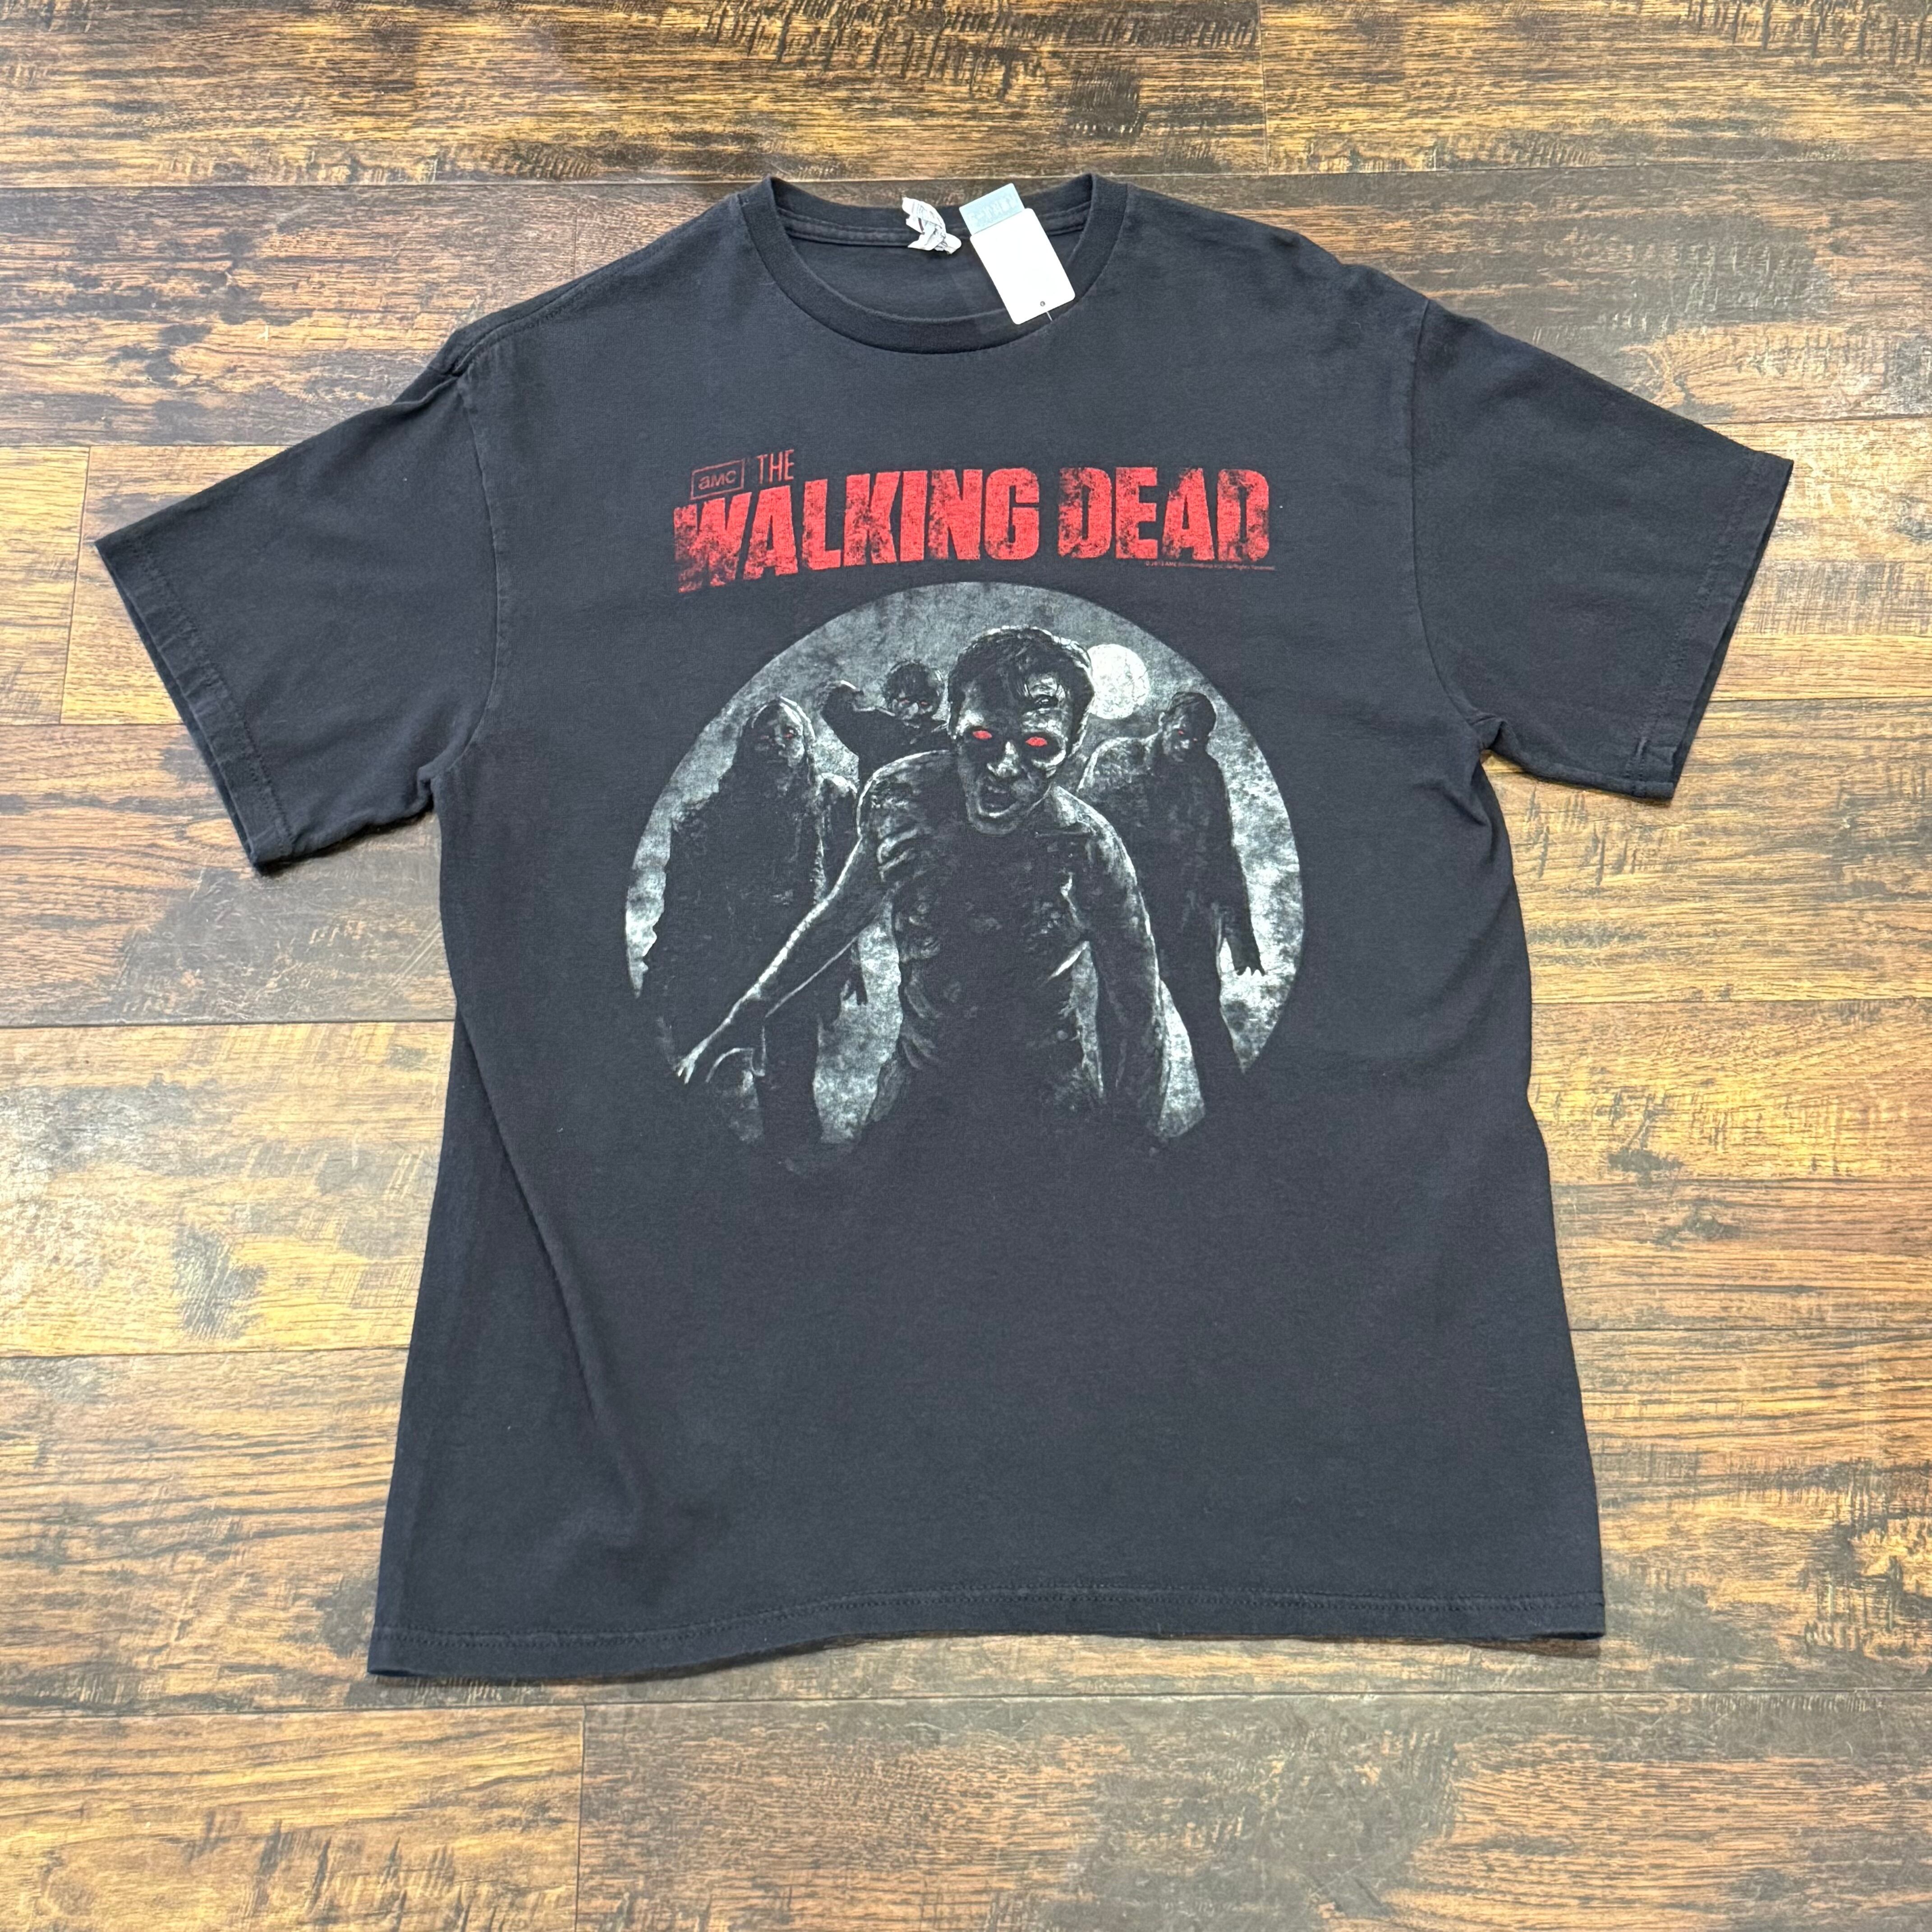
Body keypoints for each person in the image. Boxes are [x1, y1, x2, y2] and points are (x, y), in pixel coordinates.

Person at [676, 627, 1168, 1158]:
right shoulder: (898, 799)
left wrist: (1132, 1135)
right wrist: (744, 1017)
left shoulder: (1089, 847)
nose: (1004, 769)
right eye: (983, 739)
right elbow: (838, 918)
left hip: (1046, 1106)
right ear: (953, 725)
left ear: (1071, 746)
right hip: (916, 1097)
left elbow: (1139, 1010)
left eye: (1038, 746)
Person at [640, 697, 860, 1156]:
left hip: (793, 958)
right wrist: (664, 979)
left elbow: (844, 890)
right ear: (747, 748)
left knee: (791, 1078)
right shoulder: (708, 820)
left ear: (806, 746)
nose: (778, 745)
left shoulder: (828, 808)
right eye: (765, 738)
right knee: (714, 1090)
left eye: (790, 735)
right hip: (726, 957)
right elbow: (683, 909)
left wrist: (847, 959)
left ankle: (794, 1161)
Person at [1079, 690, 1262, 1115]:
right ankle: (1121, 1127)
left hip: (1187, 922)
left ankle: (1234, 1120)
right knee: (1121, 1028)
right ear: (1164, 721)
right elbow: (1085, 836)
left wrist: (1241, 933)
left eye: (1199, 740)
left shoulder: (1207, 775)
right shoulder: (1116, 759)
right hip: (1127, 921)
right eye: (1182, 734)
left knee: (1205, 1021)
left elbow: (1221, 852)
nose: (1188, 746)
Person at [819, 658, 950, 785]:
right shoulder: (875, 725)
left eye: (924, 704)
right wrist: (847, 691)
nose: (915, 710)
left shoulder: (941, 733)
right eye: (907, 702)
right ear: (892, 699)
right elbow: (833, 706)